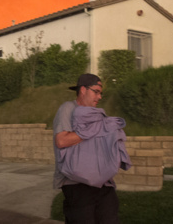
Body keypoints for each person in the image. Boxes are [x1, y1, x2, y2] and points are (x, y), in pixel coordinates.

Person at [53, 73, 131, 224]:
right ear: (83, 90)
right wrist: (95, 128)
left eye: (100, 93)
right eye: (96, 91)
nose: (99, 97)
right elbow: (61, 141)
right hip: (76, 184)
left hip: (102, 183)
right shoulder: (68, 108)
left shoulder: (97, 115)